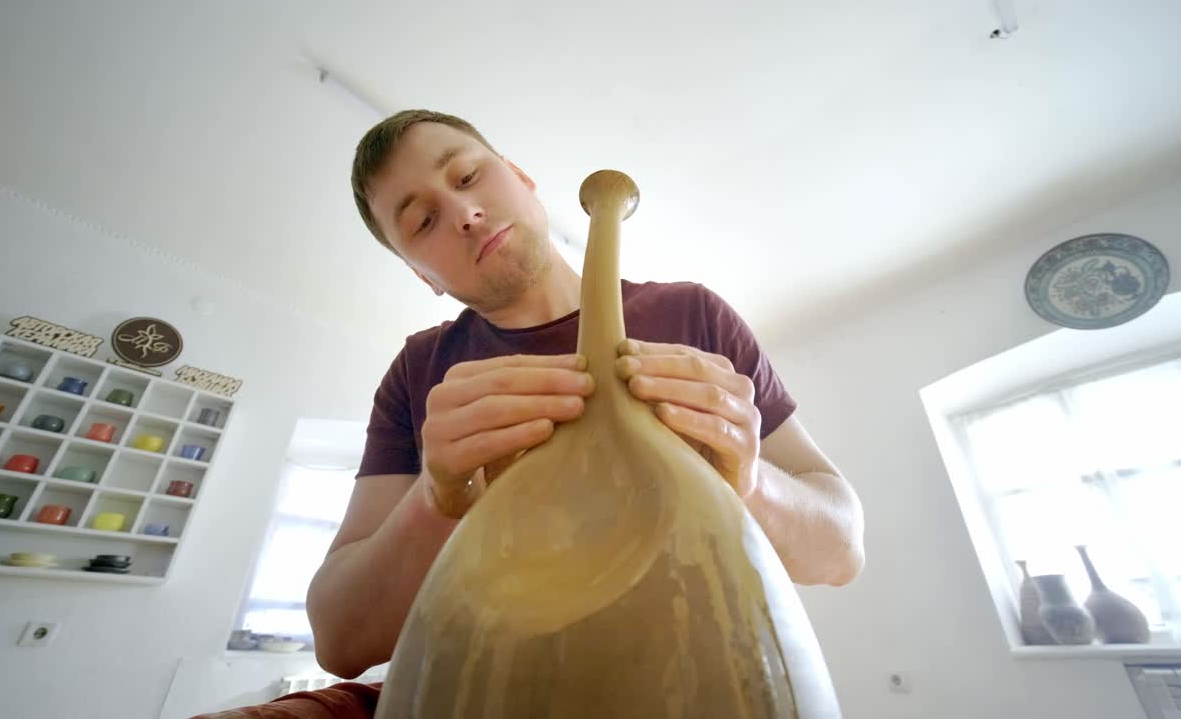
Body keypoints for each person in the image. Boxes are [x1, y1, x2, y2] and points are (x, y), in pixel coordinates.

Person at [305, 109, 866, 684]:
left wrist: (749, 481)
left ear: (520, 176)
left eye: (468, 177)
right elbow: (339, 641)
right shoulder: (419, 372)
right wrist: (435, 500)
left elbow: (842, 549)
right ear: (423, 276)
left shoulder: (694, 315)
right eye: (424, 222)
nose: (465, 214)